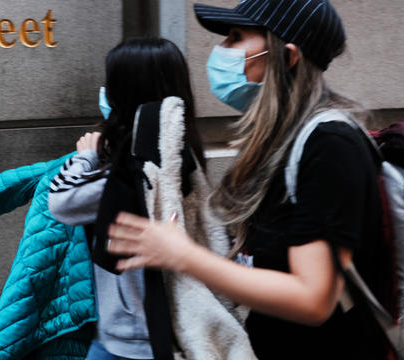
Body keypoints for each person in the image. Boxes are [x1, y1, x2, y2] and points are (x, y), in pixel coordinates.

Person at [106, 1, 394, 359]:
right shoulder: (283, 144)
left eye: (237, 37)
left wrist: (184, 256)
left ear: (287, 57)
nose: (221, 49)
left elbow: (313, 299)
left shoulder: (329, 145)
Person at [48, 38, 254, 360]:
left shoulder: (132, 174)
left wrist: (84, 157)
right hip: (142, 336)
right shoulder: (181, 162)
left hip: (131, 343)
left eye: (111, 82)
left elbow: (61, 201)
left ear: (125, 92)